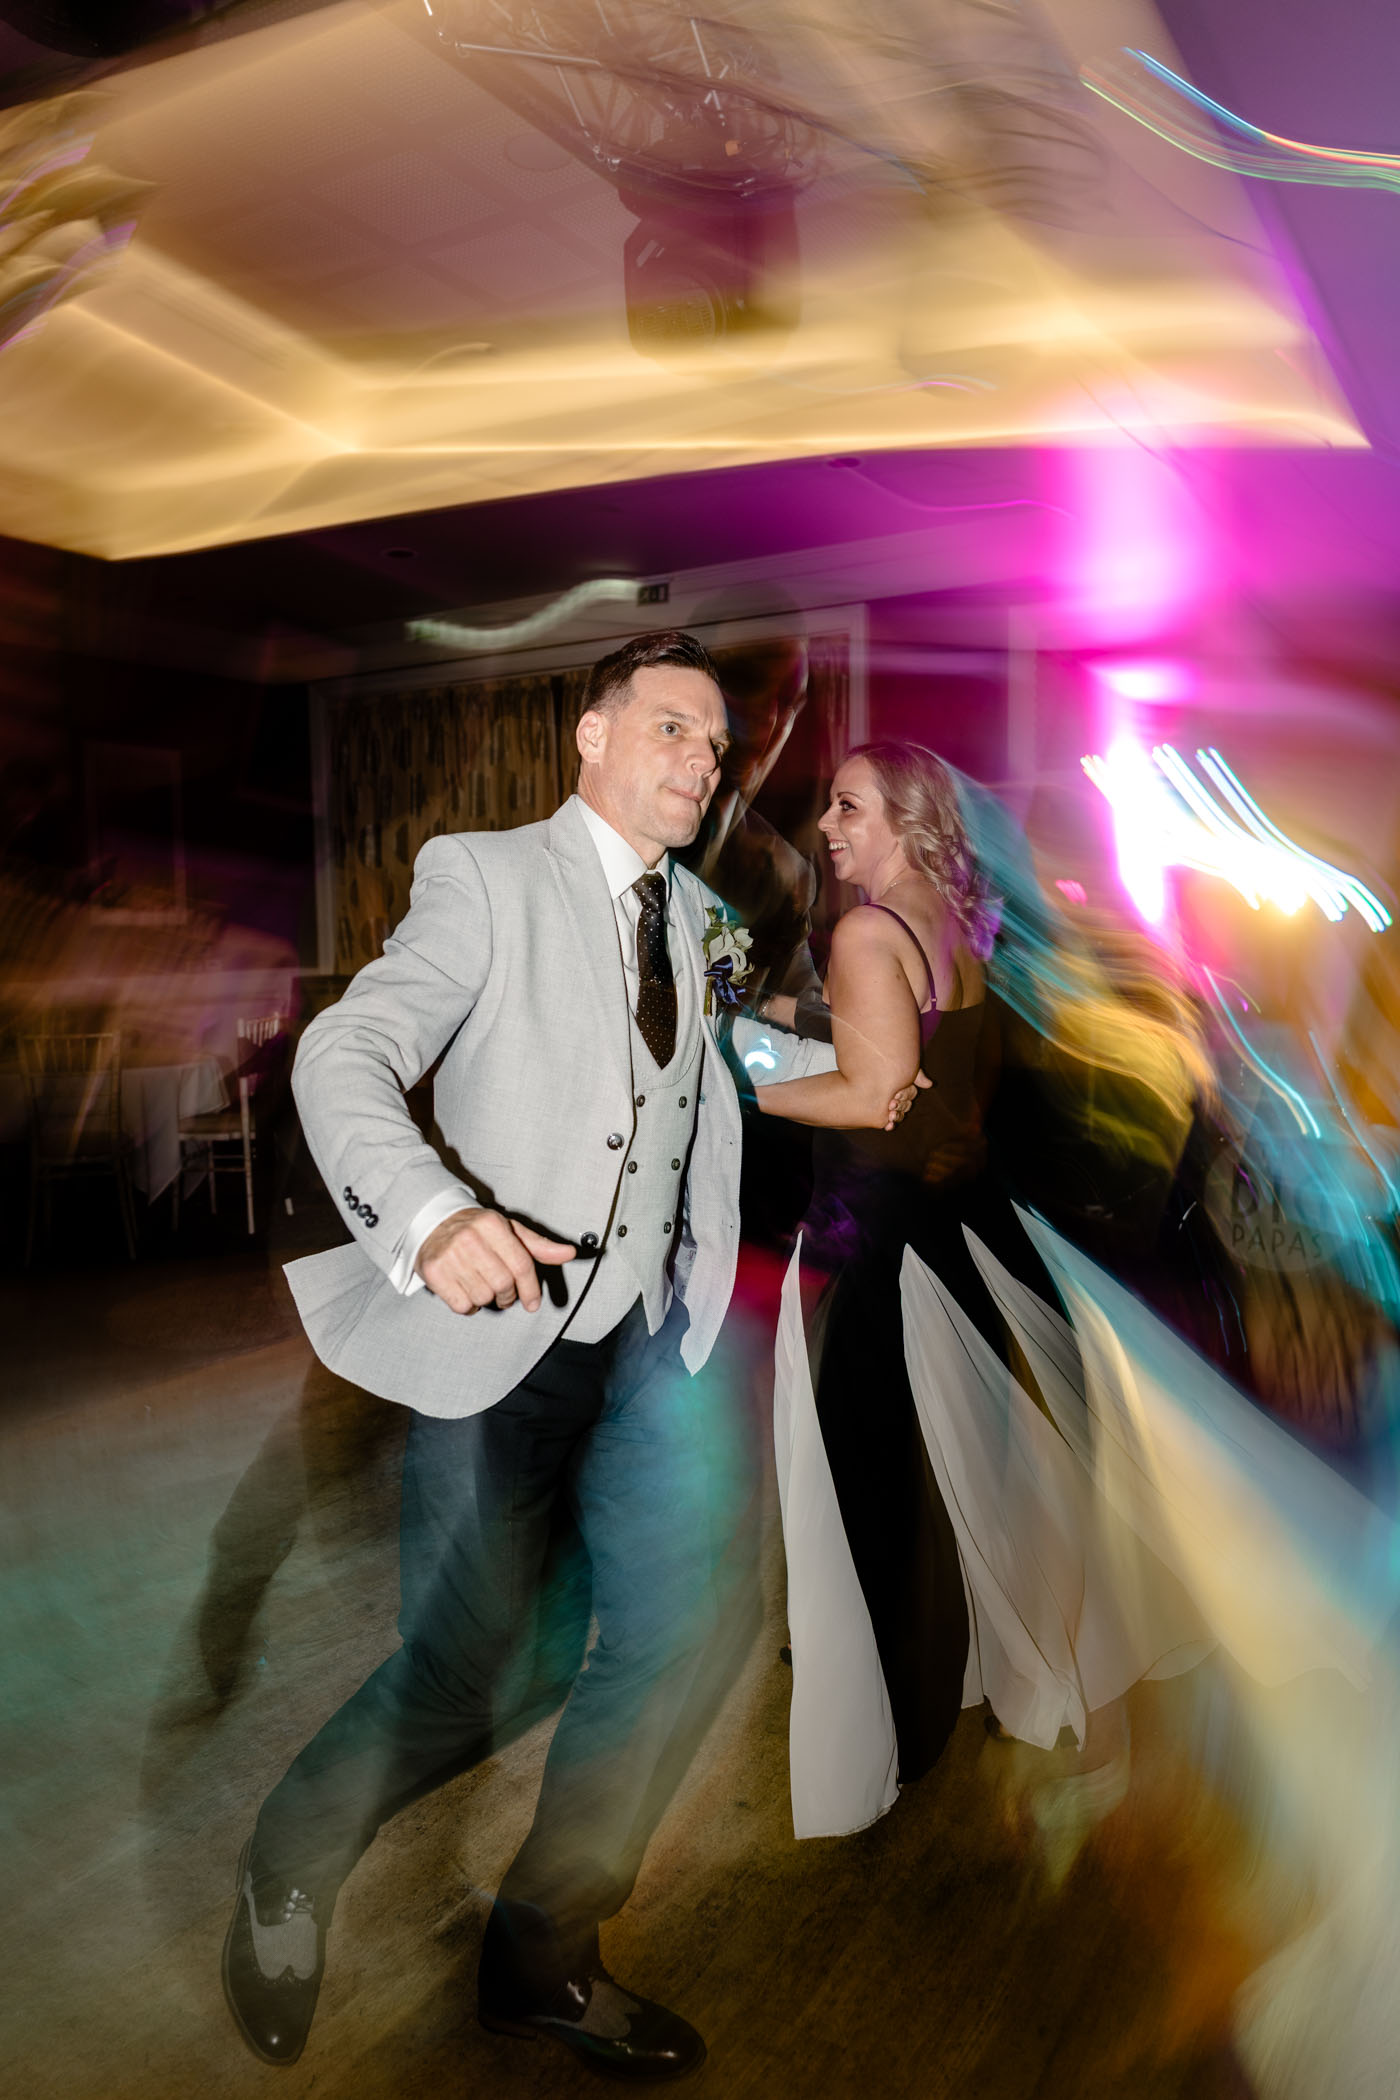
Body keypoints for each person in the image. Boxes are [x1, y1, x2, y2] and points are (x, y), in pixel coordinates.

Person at [220, 631, 915, 2080]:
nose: (702, 762)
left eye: (714, 745)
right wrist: (431, 1215)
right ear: (592, 738)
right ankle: (288, 1858)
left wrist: (872, 1059)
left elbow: (726, 1068)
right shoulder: (483, 878)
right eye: (670, 729)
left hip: (654, 1344)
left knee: (667, 1641)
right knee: (464, 1670)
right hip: (500, 1340)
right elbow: (345, 1055)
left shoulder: (705, 920)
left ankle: (541, 1955)